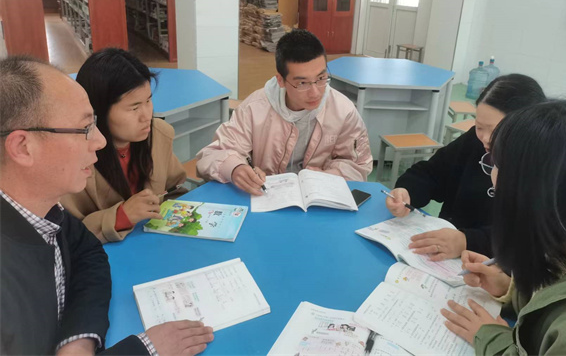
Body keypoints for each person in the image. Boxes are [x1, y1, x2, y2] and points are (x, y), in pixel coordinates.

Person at [0, 57, 214, 355]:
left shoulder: (48, 214)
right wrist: (145, 349)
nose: (100, 141)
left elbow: (87, 254)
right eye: (85, 128)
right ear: (23, 147)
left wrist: (77, 342)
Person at [441, 100, 566, 355]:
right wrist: (508, 289)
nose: (492, 174)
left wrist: (492, 338)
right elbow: (552, 296)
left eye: (497, 164)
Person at [385, 74, 546, 260]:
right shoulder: (475, 142)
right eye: (479, 127)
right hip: (443, 250)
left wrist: (466, 241)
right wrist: (407, 191)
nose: (485, 139)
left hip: (491, 264)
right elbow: (433, 172)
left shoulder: (543, 166)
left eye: (496, 131)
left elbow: (528, 236)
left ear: (527, 129)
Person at [196, 29, 372, 194]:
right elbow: (211, 156)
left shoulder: (343, 111)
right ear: (280, 80)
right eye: (302, 83)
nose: (315, 92)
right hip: (265, 195)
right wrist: (236, 168)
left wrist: (329, 175)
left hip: (318, 197)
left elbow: (358, 165)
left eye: (321, 78)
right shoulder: (254, 108)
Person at [60, 48, 187, 243]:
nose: (146, 116)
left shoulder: (158, 135)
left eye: (148, 100)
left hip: (154, 244)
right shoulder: (71, 160)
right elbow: (65, 236)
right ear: (98, 111)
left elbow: (175, 190)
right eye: (134, 108)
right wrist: (121, 216)